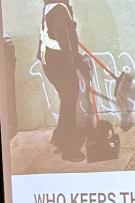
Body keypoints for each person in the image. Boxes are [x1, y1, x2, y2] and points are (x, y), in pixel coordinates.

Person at [39, 0, 91, 161]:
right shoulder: (60, 12)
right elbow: (67, 45)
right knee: (69, 102)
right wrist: (80, 62)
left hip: (50, 64)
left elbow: (63, 37)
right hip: (60, 66)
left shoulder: (50, 8)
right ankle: (69, 149)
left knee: (66, 100)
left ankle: (59, 136)